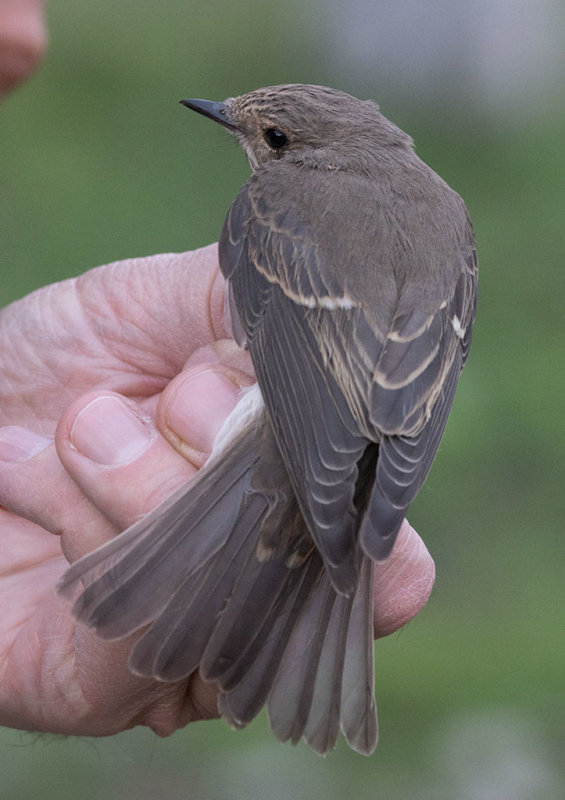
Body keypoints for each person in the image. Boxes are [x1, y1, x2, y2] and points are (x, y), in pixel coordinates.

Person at [0, 1, 435, 738]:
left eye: (267, 137)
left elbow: (302, 350)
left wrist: (324, 472)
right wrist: (364, 485)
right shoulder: (446, 218)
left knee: (303, 506)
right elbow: (418, 365)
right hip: (390, 417)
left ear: (298, 151)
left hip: (303, 411)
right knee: (331, 539)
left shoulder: (276, 198)